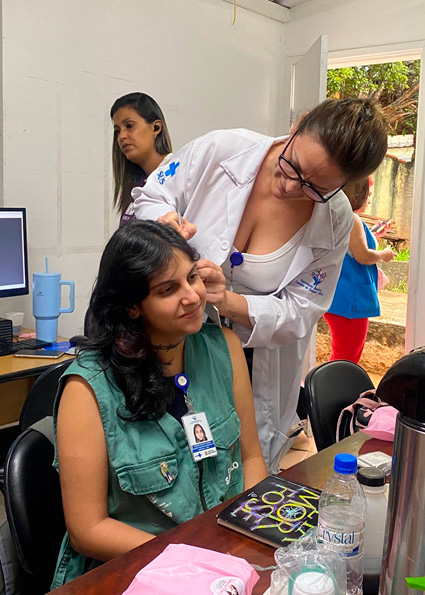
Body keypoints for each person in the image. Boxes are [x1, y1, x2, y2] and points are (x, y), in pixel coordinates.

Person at [133, 97, 388, 472]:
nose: (289, 186)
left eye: (314, 187)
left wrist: (228, 301)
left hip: (256, 365)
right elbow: (152, 194)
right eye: (292, 164)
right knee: (169, 463)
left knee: (244, 468)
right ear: (297, 127)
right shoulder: (221, 150)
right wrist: (164, 221)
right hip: (175, 345)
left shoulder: (335, 221)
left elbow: (300, 310)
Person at [51, 220, 266, 588]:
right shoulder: (87, 388)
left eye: (192, 278)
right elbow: (88, 529)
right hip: (134, 571)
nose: (192, 296)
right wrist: (193, 562)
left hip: (224, 561)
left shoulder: (224, 348)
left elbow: (251, 459)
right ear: (133, 307)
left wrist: (249, 535)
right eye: (168, 289)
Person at [324, 177, 395, 363]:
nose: (369, 200)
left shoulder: (342, 216)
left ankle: (335, 381)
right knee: (346, 357)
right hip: (350, 300)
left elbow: (352, 248)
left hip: (340, 298)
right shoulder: (353, 218)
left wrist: (373, 234)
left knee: (344, 353)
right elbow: (362, 256)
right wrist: (383, 254)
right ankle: (336, 382)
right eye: (367, 195)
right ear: (356, 194)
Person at [111, 92, 172, 225]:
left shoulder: (177, 175)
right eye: (117, 131)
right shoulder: (136, 185)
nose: (122, 136)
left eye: (129, 126)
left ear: (156, 128)